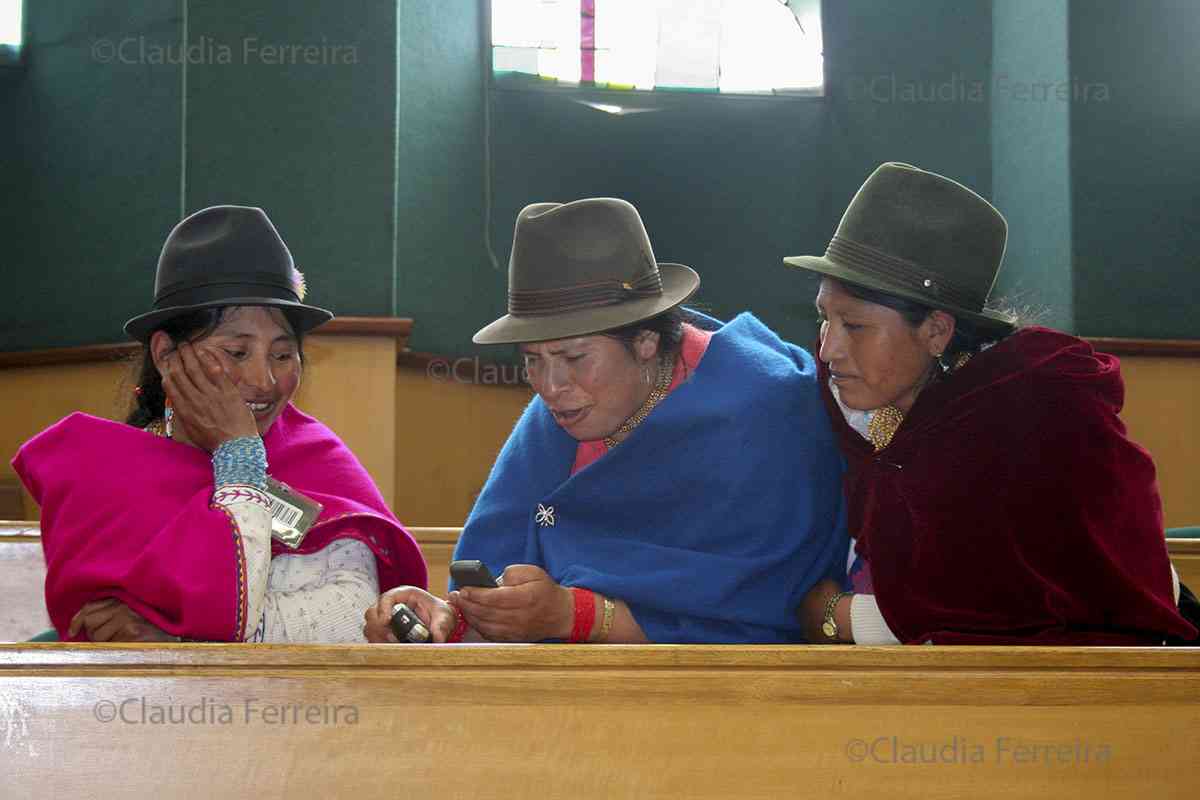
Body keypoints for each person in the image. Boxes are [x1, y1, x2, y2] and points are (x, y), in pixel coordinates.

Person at [364, 197, 847, 645]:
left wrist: (574, 615)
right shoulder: (562, 415)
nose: (550, 386)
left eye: (574, 357)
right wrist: (453, 615)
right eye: (533, 359)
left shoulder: (768, 411)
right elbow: (493, 566)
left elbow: (771, 608)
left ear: (645, 342)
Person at [783, 162, 1196, 645]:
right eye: (823, 318)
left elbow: (1026, 604)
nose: (828, 348)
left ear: (937, 330)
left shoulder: (1037, 413)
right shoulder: (859, 395)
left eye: (854, 326)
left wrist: (836, 617)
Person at [12, 205, 426, 643]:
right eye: (236, 353)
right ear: (165, 354)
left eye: (283, 355)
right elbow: (97, 633)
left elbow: (355, 617)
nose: (264, 381)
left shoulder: (314, 456)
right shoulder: (101, 472)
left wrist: (176, 639)